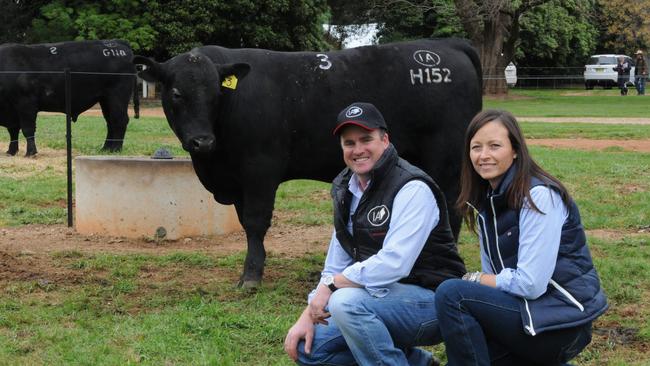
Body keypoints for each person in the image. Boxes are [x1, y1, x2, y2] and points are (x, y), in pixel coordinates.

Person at [284, 102, 466, 365]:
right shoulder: (346, 189)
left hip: (434, 301)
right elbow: (336, 264)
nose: (358, 150)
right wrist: (308, 314)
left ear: (385, 140)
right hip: (380, 299)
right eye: (349, 143)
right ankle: (419, 362)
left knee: (346, 303)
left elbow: (395, 263)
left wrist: (333, 285)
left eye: (366, 139)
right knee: (308, 347)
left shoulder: (412, 187)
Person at [434, 109, 608, 366]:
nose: (484, 156)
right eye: (476, 147)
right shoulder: (486, 203)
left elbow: (530, 284)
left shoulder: (538, 196)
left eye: (495, 146)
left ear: (515, 150)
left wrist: (475, 279)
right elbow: (493, 279)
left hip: (562, 322)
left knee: (453, 294)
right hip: (528, 313)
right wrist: (483, 283)